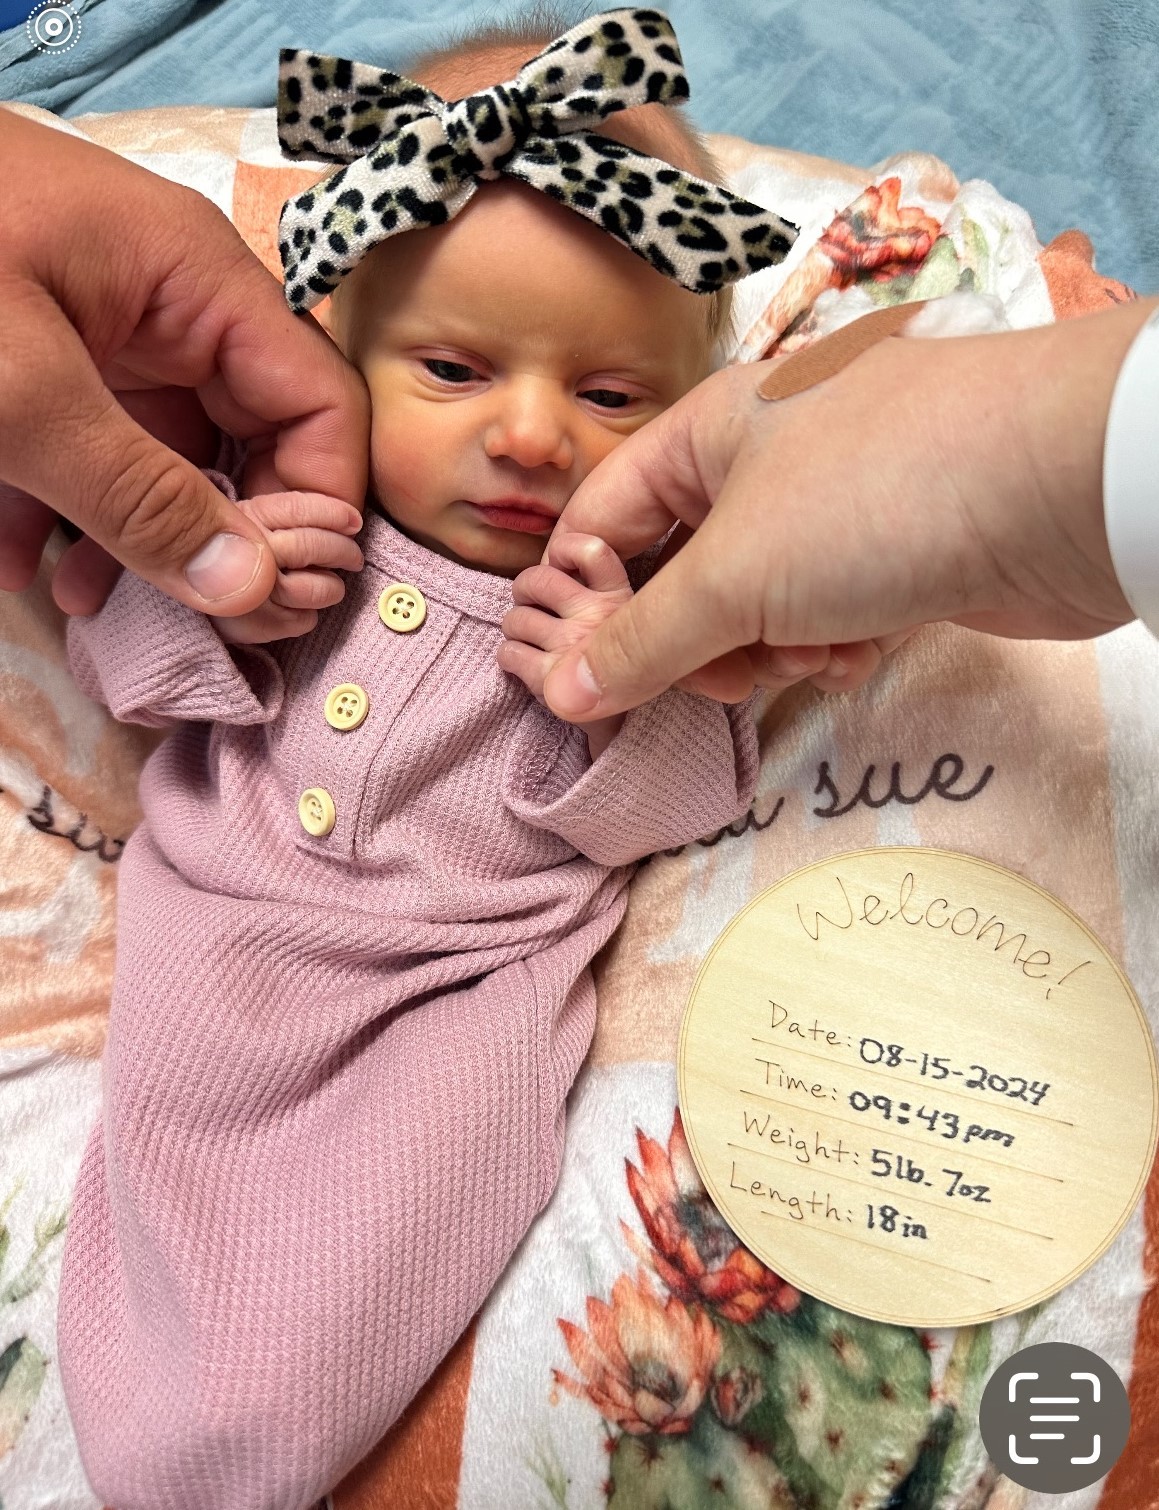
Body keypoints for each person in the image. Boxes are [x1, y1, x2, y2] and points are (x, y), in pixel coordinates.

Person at [53, 11, 803, 1508]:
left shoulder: (645, 590)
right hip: (220, 928)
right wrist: (215, 594)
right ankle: (144, 1417)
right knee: (165, 1162)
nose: (529, 438)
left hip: (461, 981)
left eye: (611, 397)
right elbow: (124, 674)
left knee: (419, 1205)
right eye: (454, 368)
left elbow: (687, 792)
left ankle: (243, 1455)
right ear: (337, 354)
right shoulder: (277, 503)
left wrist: (616, 682)